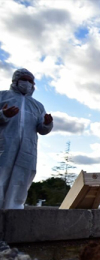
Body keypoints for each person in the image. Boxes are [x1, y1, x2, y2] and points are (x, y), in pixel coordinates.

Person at [0, 68, 53, 209]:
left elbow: (42, 129)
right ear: (15, 81)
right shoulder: (3, 96)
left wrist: (48, 124)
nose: (27, 83)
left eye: (31, 81)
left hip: (27, 150)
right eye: (24, 79)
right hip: (4, 146)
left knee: (21, 179)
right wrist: (3, 114)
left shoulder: (37, 106)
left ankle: (14, 211)